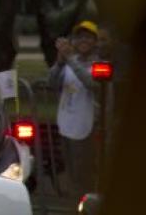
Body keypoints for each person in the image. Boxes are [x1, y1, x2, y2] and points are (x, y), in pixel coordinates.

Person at [49, 20, 102, 201]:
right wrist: (59, 62)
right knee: (71, 174)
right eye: (80, 37)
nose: (83, 41)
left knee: (83, 175)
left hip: (85, 127)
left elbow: (91, 83)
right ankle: (74, 206)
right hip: (66, 124)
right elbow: (52, 84)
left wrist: (70, 59)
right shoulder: (70, 62)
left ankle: (85, 208)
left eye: (88, 37)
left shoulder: (100, 64)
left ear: (95, 41)